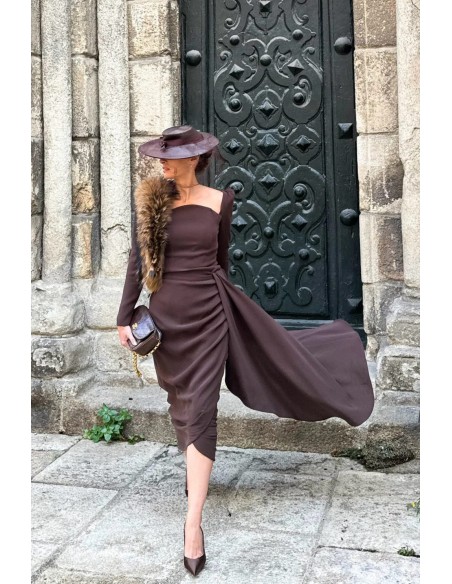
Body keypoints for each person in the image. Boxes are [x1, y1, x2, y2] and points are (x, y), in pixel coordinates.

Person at [117, 125, 374, 577]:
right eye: (160, 157)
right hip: (168, 320)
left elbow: (220, 261)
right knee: (182, 403)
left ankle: (193, 524)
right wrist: (123, 318)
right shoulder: (152, 202)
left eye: (170, 157)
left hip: (209, 315)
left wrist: (232, 309)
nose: (162, 164)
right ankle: (195, 478)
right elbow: (137, 265)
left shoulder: (221, 200)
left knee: (202, 407)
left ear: (194, 159)